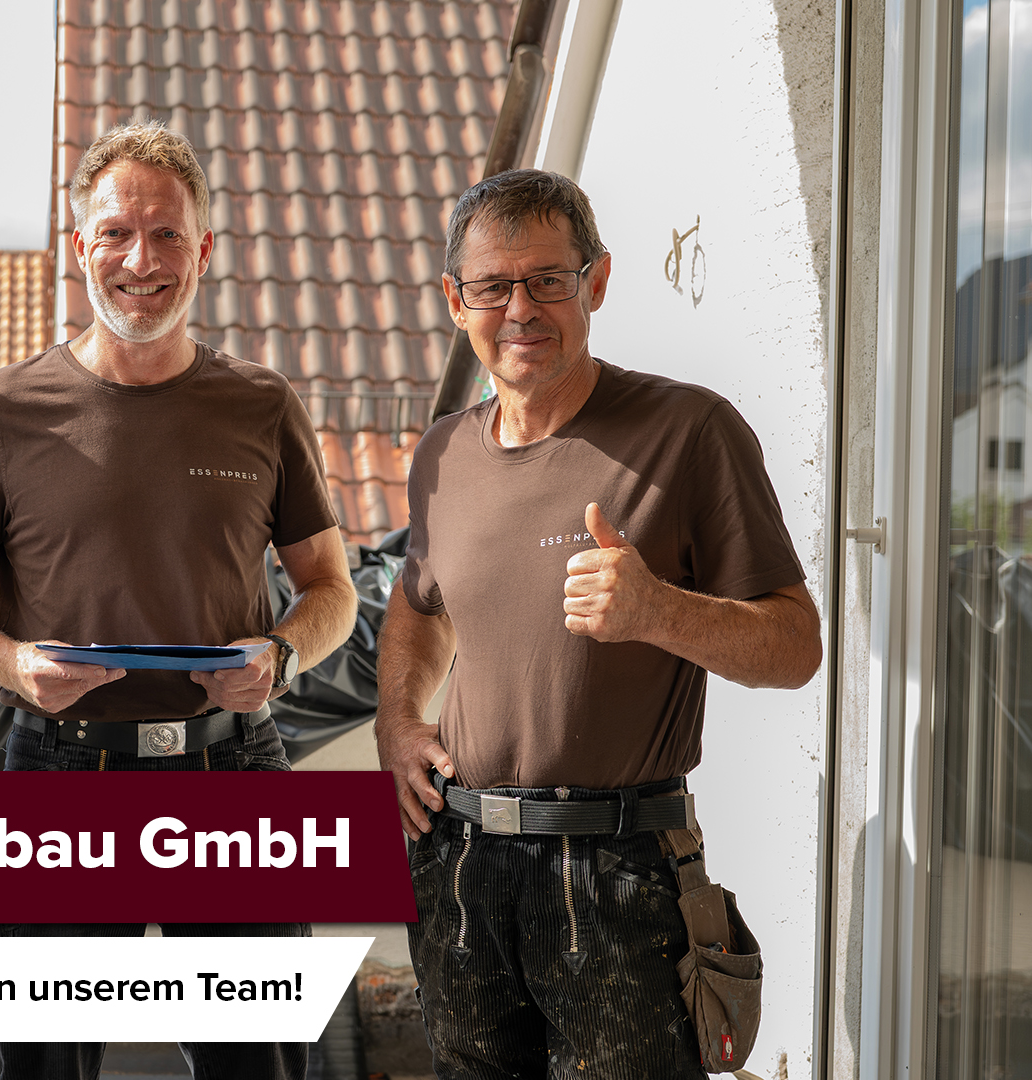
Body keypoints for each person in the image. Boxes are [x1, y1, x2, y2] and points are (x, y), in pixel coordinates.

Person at [0, 121, 360, 1080]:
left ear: (203, 250)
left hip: (233, 770)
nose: (141, 260)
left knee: (262, 1070)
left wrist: (283, 655)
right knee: (40, 1068)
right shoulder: (3, 409)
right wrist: (14, 665)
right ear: (81, 245)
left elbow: (332, 588)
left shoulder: (262, 404)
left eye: (167, 235)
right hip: (58, 774)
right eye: (117, 233)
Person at [375, 168, 822, 1079]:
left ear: (598, 281)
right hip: (459, 862)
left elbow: (795, 647)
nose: (521, 309)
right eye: (493, 287)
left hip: (618, 871)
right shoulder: (444, 451)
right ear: (457, 302)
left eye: (548, 279)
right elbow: (419, 607)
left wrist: (659, 609)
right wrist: (397, 721)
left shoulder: (691, 430)